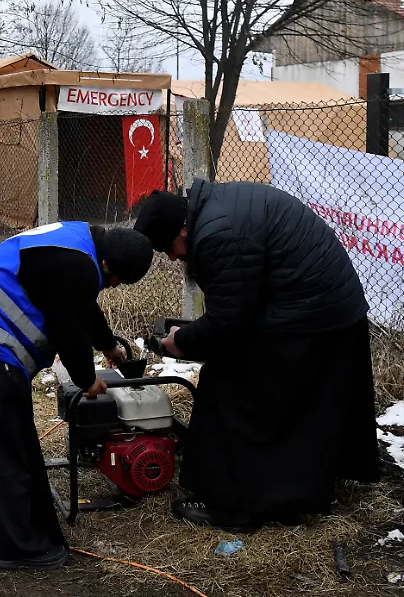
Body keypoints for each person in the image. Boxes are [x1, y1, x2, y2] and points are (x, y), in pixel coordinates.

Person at [133, 180, 379, 532]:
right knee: (287, 400)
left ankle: (235, 505)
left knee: (232, 390)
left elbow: (228, 323)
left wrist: (181, 341)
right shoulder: (212, 209)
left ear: (182, 229)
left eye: (170, 248)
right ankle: (294, 486)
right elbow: (237, 304)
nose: (173, 258)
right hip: (322, 307)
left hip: (312, 315)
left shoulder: (218, 234)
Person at [0, 222, 154, 570]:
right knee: (4, 445)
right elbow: (69, 327)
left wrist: (107, 345)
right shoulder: (78, 265)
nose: (113, 286)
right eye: (117, 280)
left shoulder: (81, 242)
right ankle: (19, 546)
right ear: (107, 266)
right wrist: (88, 381)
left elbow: (80, 304)